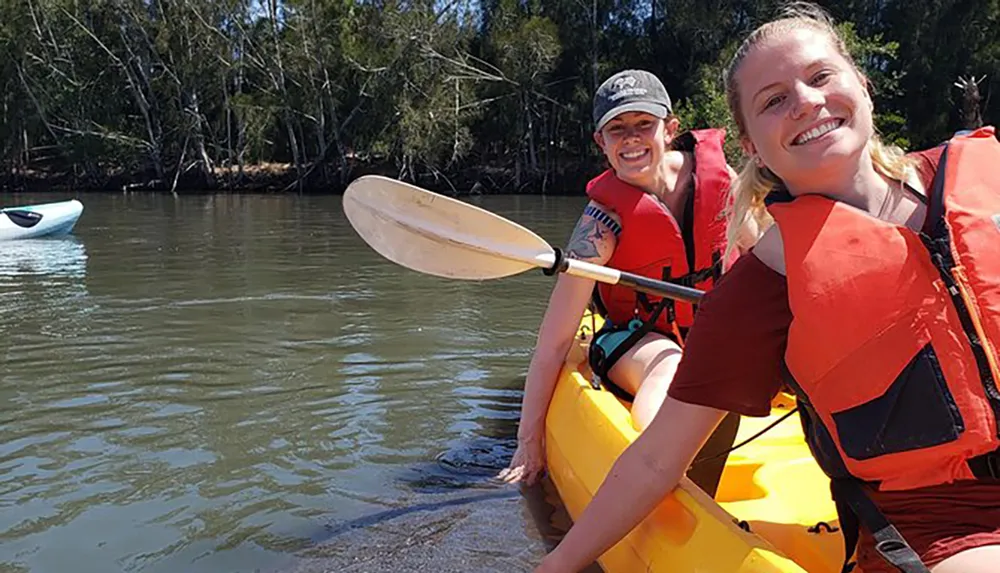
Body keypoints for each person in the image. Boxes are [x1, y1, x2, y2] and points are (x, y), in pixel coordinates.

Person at [531, 3, 1000, 573]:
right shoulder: (752, 279)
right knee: (664, 366)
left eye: (821, 76)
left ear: (865, 86)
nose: (805, 100)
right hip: (951, 527)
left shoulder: (983, 173)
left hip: (697, 332)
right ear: (751, 144)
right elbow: (642, 447)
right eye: (774, 100)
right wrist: (533, 457)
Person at [498, 69, 751, 489]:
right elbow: (555, 340)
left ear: (669, 129)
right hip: (636, 337)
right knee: (669, 364)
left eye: (643, 125)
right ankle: (665, 470)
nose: (631, 139)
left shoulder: (721, 182)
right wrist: (528, 442)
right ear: (601, 142)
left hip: (710, 328)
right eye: (617, 129)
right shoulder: (600, 224)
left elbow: (765, 261)